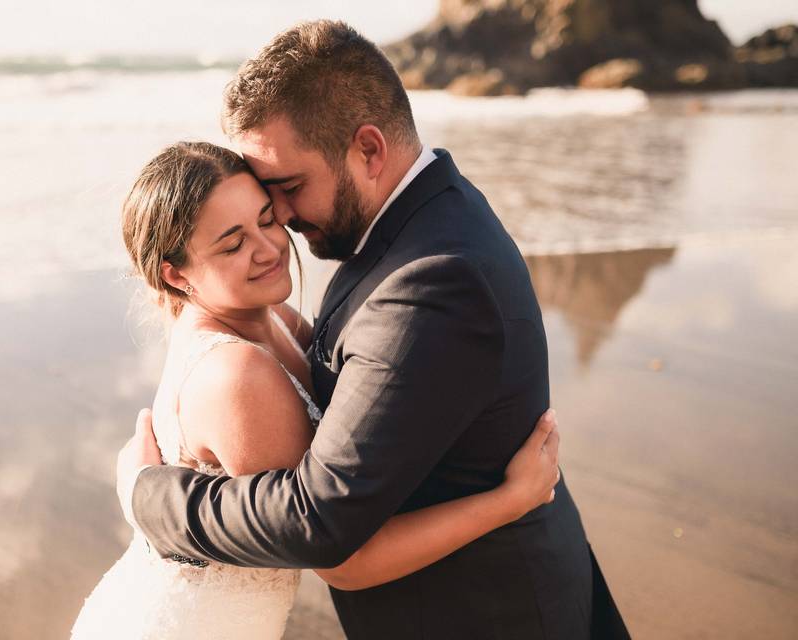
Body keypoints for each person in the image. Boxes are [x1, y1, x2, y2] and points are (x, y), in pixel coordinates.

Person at [120, 20, 629, 639]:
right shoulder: (425, 222)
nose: (278, 218)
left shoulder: (429, 281)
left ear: (368, 149)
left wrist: (156, 498)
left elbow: (321, 522)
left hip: (487, 616)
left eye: (285, 190)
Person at [71, 141, 561, 639]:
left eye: (266, 219)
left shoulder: (273, 318)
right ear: (176, 276)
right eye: (232, 243)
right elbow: (342, 561)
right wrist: (511, 499)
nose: (268, 248)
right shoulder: (235, 374)